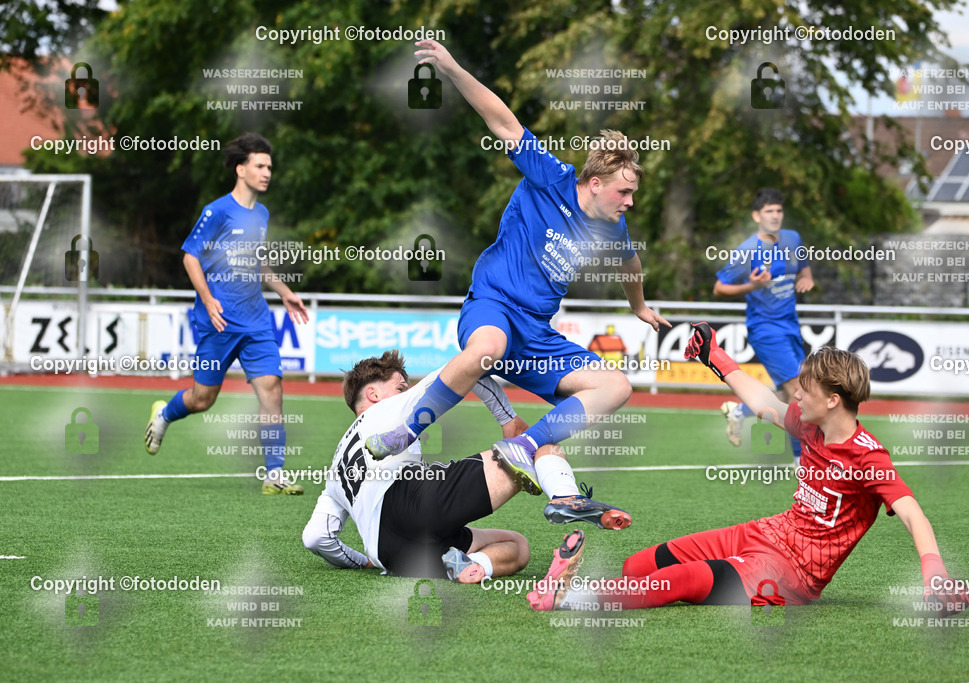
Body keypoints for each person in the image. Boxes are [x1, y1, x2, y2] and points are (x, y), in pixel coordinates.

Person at [367, 40, 669, 498]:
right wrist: (451, 68)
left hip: (536, 336)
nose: (629, 202)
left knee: (617, 385)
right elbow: (501, 120)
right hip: (492, 307)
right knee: (488, 345)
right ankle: (405, 431)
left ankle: (525, 446)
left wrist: (640, 307)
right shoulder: (550, 176)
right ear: (593, 183)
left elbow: (631, 262)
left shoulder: (613, 226)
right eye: (623, 193)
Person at [528, 323, 969, 617]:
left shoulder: (867, 456)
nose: (797, 394)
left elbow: (913, 513)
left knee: (684, 580)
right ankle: (593, 585)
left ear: (834, 400)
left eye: (806, 388)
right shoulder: (810, 425)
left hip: (792, 576)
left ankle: (568, 596)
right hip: (765, 533)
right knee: (640, 564)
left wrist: (934, 572)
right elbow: (764, 403)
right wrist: (717, 358)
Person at [303, 350, 630, 583]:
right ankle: (566, 496)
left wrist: (364, 562)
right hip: (414, 499)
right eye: (401, 386)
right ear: (373, 393)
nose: (406, 391)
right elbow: (470, 367)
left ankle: (471, 566)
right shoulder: (387, 407)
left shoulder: (335, 468)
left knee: (517, 547)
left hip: (392, 554)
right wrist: (507, 418)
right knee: (537, 443)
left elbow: (316, 538)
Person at [144, 133, 309, 495]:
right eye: (260, 166)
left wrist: (284, 292)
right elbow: (190, 256)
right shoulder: (216, 211)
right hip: (216, 320)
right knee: (203, 399)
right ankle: (165, 413)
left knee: (272, 390)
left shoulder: (261, 214)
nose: (267, 173)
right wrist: (208, 299)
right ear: (241, 169)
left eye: (269, 167)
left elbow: (258, 261)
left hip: (256, 320)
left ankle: (274, 474)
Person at [713, 188, 813, 465]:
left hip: (791, 326)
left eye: (779, 210)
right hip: (765, 330)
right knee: (797, 392)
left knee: (786, 392)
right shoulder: (747, 251)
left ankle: (739, 412)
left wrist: (807, 278)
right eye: (769, 211)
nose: (775, 215)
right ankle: (800, 461)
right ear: (756, 215)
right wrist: (752, 286)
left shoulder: (793, 238)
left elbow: (803, 266)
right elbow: (719, 287)